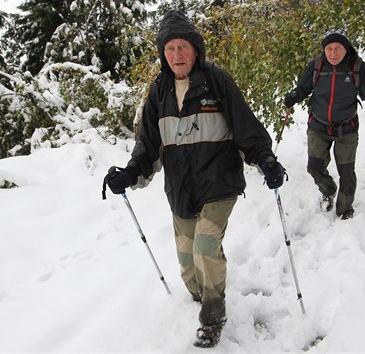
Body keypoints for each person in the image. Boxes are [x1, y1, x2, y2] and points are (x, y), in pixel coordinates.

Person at [103, 9, 285, 348]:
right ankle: (202, 294)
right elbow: (148, 147)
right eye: (170, 48)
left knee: (205, 247)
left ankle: (213, 315)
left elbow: (246, 127)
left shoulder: (216, 81)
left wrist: (266, 159)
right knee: (188, 263)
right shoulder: (158, 92)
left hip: (219, 185)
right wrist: (130, 174)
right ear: (163, 53)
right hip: (181, 190)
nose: (177, 55)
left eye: (183, 47)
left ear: (195, 49)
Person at [283, 28, 365, 220]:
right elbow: (304, 87)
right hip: (318, 126)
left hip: (346, 129)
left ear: (346, 49)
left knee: (346, 173)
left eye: (338, 48)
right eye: (329, 49)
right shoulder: (316, 66)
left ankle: (345, 210)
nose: (333, 54)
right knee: (314, 167)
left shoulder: (358, 69)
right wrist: (293, 97)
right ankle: (328, 189)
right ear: (324, 50)